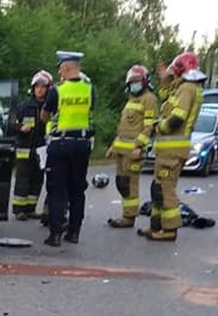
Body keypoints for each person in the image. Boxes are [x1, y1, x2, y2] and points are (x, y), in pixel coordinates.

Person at [138, 51, 206, 242]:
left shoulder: (187, 89)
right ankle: (156, 226)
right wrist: (165, 80)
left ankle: (169, 230)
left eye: (174, 70)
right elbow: (166, 97)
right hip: (168, 149)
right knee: (157, 187)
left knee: (165, 189)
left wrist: (158, 126)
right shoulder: (183, 87)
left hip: (173, 149)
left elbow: (177, 118)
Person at [40, 51, 96, 247]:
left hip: (61, 144)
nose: (59, 72)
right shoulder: (89, 89)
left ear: (65, 68)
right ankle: (74, 232)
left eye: (60, 68)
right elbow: (91, 111)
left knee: (57, 190)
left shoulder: (58, 90)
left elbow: (44, 116)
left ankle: (55, 234)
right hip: (82, 144)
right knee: (77, 189)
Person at [105, 65, 159, 228]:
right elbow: (124, 127)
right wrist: (113, 146)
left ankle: (129, 218)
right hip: (122, 150)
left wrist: (139, 147)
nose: (134, 84)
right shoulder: (131, 100)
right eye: (132, 81)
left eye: (137, 81)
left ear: (144, 81)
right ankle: (125, 214)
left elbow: (149, 127)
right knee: (121, 183)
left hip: (134, 151)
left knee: (130, 184)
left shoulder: (149, 99)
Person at [11, 70, 53, 220]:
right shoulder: (24, 106)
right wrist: (20, 127)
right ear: (33, 88)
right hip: (24, 150)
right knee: (23, 179)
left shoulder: (51, 108)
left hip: (42, 150)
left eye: (43, 87)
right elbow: (9, 124)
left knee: (37, 180)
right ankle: (19, 210)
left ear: (48, 89)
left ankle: (30, 208)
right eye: (37, 87)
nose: (39, 90)